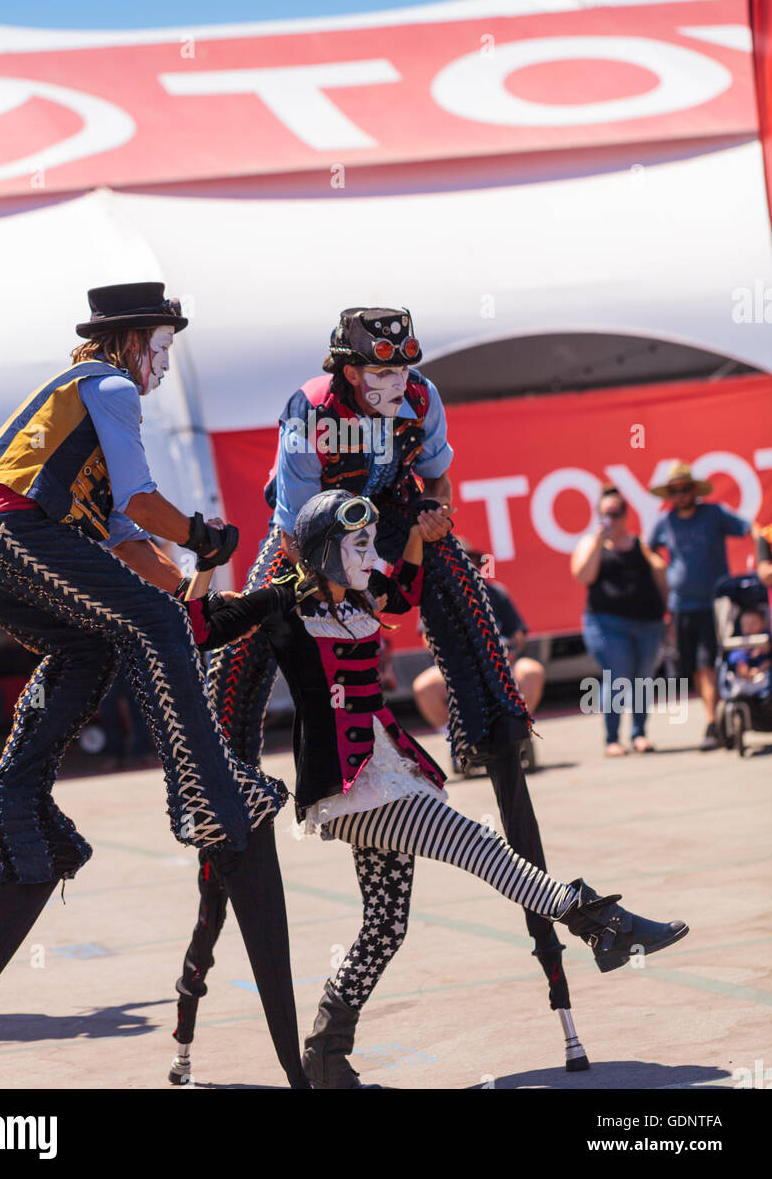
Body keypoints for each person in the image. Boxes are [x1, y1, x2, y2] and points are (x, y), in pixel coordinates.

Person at [0, 282, 307, 1091]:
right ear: (132, 342)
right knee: (151, 631)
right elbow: (141, 502)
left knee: (97, 648)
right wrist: (204, 534)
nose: (164, 364)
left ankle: (16, 797)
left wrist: (198, 585)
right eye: (160, 346)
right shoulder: (111, 387)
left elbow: (131, 544)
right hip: (0, 527)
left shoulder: (80, 413)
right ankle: (200, 792)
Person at [178, 490, 689, 1089]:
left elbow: (407, 592)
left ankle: (325, 1049)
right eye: (358, 545)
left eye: (371, 543)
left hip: (391, 770)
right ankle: (603, 924)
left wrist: (418, 536)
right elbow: (200, 628)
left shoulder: (365, 597)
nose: (370, 555)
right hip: (348, 788)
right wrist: (206, 560)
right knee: (479, 844)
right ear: (322, 551)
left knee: (386, 923)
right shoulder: (282, 603)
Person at [181, 307, 579, 1073]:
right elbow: (296, 515)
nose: (396, 384)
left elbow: (435, 479)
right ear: (347, 371)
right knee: (228, 680)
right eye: (381, 373)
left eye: (404, 370)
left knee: (465, 602)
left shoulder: (422, 399)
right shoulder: (310, 409)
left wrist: (431, 523)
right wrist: (313, 585)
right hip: (312, 537)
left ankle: (493, 725)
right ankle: (213, 790)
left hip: (386, 527)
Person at [647, 461, 759, 751]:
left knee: (709, 662)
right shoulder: (666, 522)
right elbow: (648, 548)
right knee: (694, 668)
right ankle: (715, 716)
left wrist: (764, 551)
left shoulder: (713, 514)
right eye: (676, 491)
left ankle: (714, 721)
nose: (681, 495)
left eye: (685, 489)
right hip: (682, 605)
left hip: (715, 604)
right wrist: (658, 565)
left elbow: (750, 529)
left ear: (694, 490)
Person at [413, 541, 544, 769]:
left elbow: (518, 634)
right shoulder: (435, 596)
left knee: (532, 671)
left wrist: (508, 653)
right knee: (424, 686)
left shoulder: (495, 592)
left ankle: (522, 728)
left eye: (468, 560)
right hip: (457, 668)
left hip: (501, 665)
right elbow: (427, 638)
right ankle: (453, 736)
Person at [572, 485, 668, 756]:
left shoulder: (641, 543)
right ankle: (612, 738)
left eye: (615, 513)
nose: (610, 520)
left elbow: (660, 573)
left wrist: (666, 613)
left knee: (643, 678)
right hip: (607, 624)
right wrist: (598, 543)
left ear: (626, 514)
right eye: (605, 514)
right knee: (617, 676)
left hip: (648, 622)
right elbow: (583, 576)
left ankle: (639, 734)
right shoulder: (591, 544)